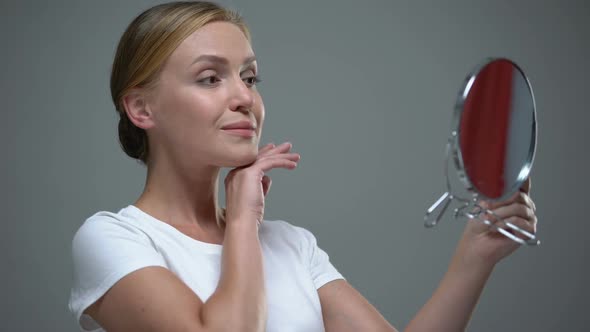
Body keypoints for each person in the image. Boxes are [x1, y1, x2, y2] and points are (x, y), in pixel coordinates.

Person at [68, 1, 539, 331]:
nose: (244, 98)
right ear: (141, 109)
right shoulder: (115, 240)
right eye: (210, 78)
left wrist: (474, 258)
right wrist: (244, 224)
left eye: (250, 77)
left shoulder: (292, 246)